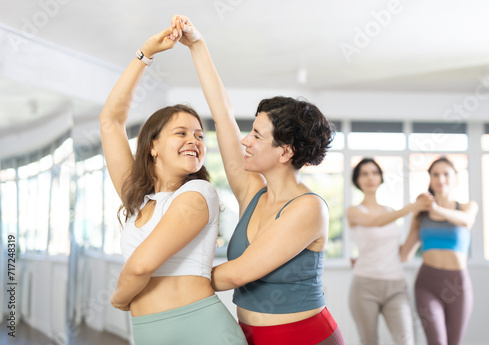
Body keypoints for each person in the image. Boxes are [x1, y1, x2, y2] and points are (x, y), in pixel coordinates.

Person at [171, 15, 345, 345]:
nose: (245, 141)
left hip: (306, 338)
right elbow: (222, 116)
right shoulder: (253, 192)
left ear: (285, 152)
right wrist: (197, 45)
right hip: (252, 337)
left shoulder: (309, 209)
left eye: (256, 135)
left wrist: (159, 274)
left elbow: (236, 273)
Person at [100, 24, 247, 345]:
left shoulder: (198, 194)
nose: (193, 140)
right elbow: (110, 120)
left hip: (201, 329)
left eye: (198, 135)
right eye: (181, 133)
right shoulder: (138, 199)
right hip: (149, 333)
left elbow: (140, 266)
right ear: (152, 145)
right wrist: (145, 54)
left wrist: (119, 298)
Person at [346, 158, 432, 345]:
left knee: (406, 340)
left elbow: (401, 253)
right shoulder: (354, 211)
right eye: (364, 173)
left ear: (381, 178)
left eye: (375, 172)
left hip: (395, 285)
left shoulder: (390, 211)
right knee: (369, 341)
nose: (371, 177)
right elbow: (377, 222)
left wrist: (417, 218)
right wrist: (412, 207)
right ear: (357, 180)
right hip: (365, 285)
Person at [400, 157, 478, 345]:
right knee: (437, 342)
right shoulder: (421, 215)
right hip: (427, 283)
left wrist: (436, 208)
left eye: (446, 174)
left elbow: (466, 221)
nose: (440, 179)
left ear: (455, 178)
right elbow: (404, 255)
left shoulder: (467, 207)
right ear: (430, 179)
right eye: (435, 174)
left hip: (458, 285)